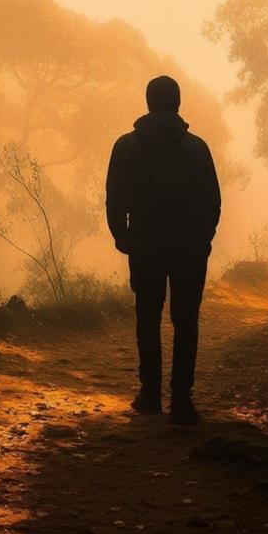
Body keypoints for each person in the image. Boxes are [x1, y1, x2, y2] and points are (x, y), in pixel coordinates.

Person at [104, 75, 222, 425]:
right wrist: (203, 238)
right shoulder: (198, 148)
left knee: (147, 318)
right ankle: (182, 400)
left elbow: (115, 198)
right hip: (189, 250)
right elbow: (213, 202)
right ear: (178, 103)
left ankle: (150, 395)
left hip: (145, 245)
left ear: (148, 102)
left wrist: (121, 237)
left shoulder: (125, 146)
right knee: (186, 322)